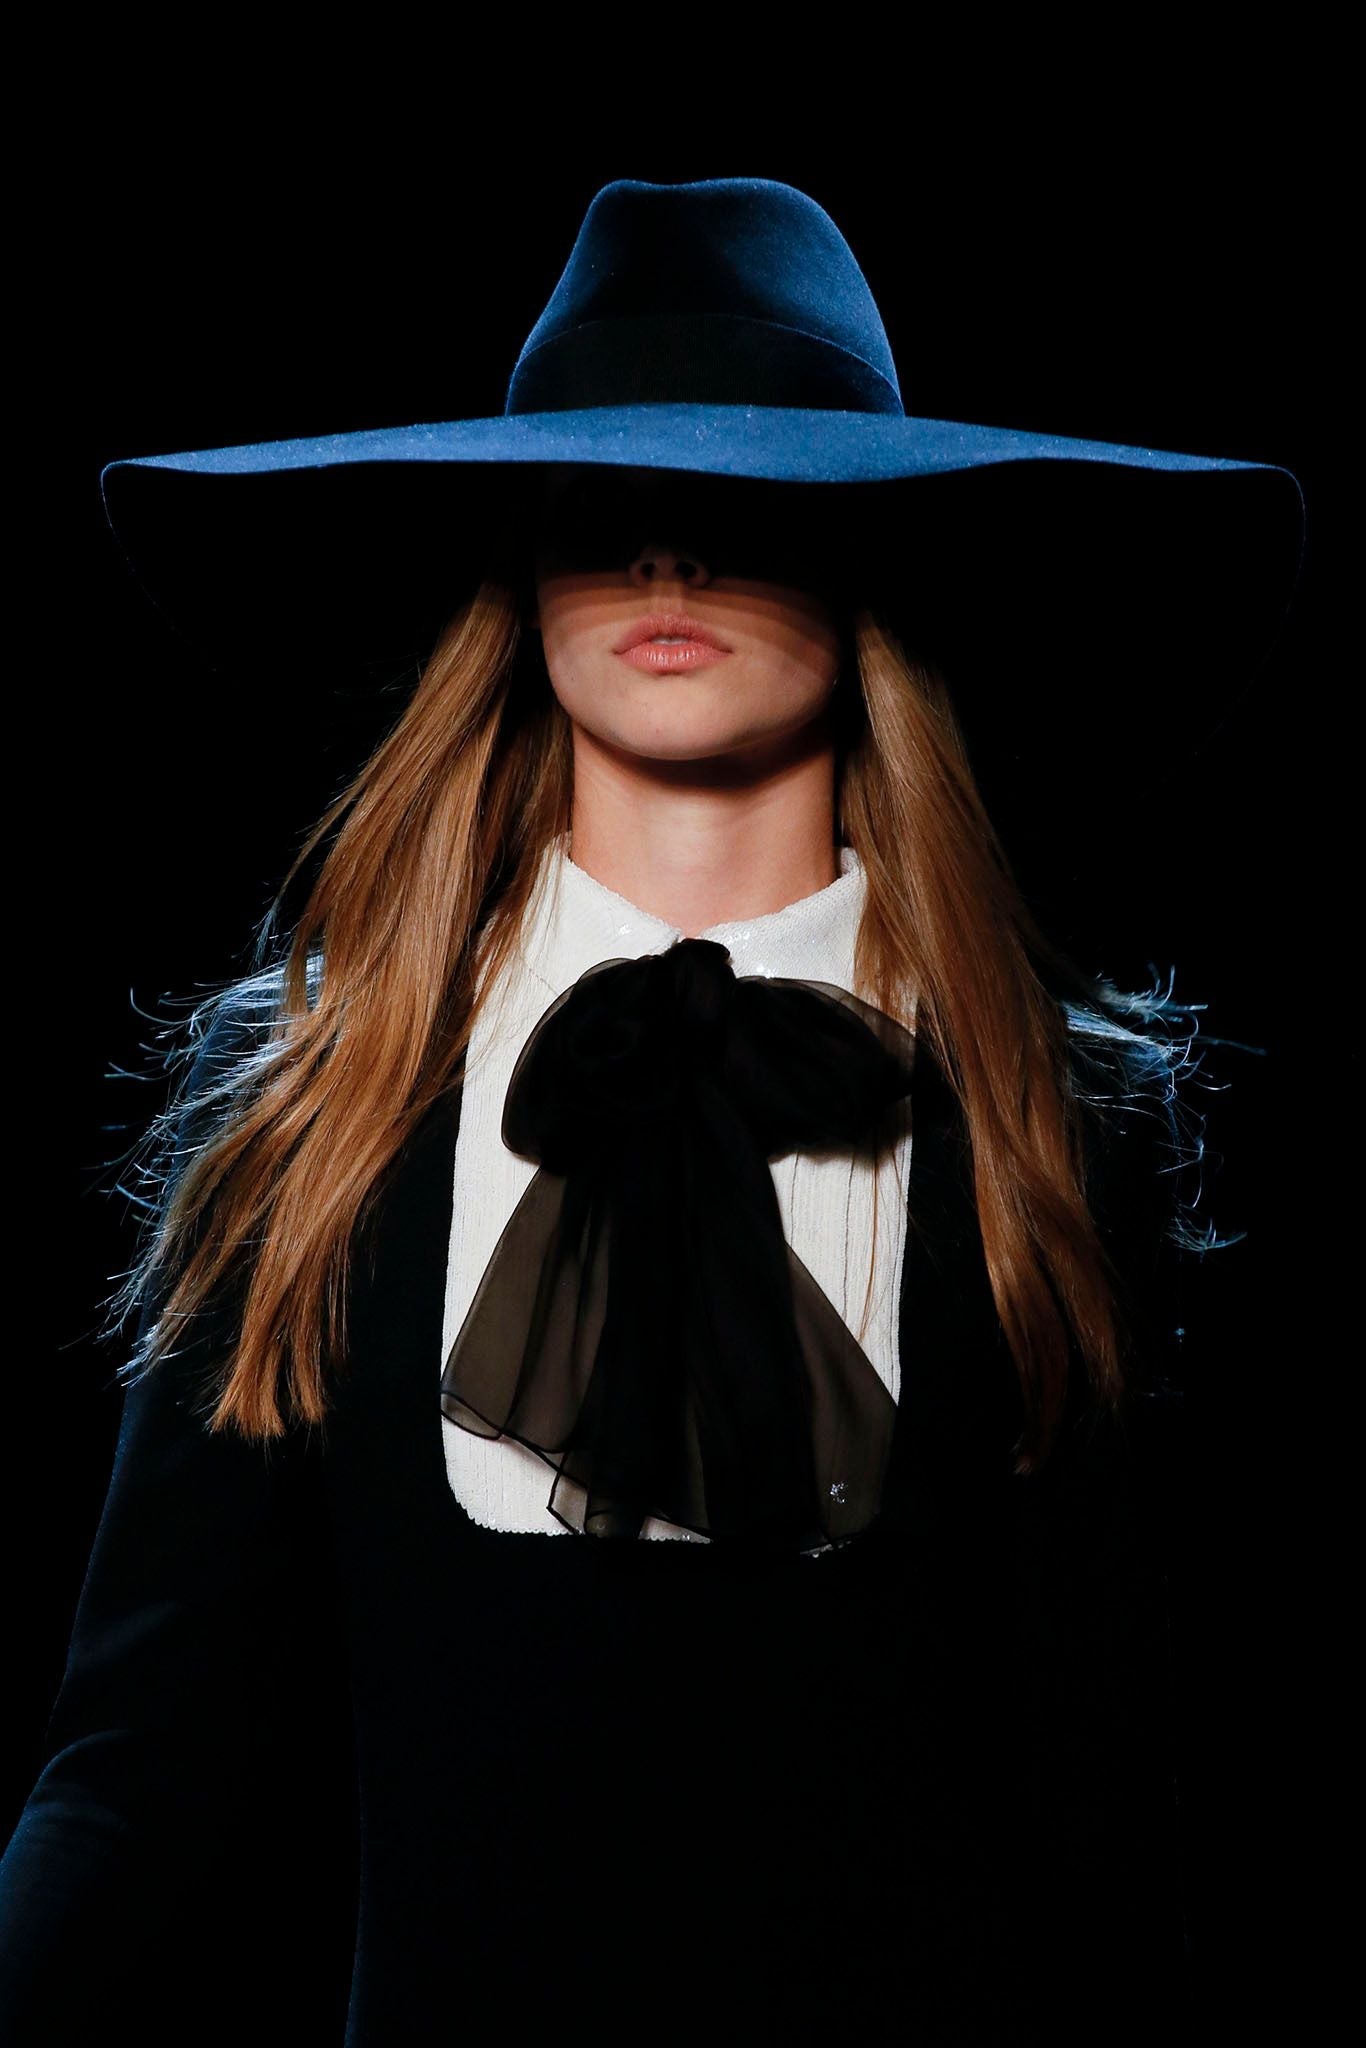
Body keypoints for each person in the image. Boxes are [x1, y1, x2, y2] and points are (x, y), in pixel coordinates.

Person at [0, 177, 1304, 2046]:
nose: (668, 552)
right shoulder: (312, 1107)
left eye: (749, 495)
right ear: (519, 562)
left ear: (866, 555)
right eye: (596, 497)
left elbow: (1128, 1816)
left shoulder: (1057, 1125)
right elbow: (137, 1775)